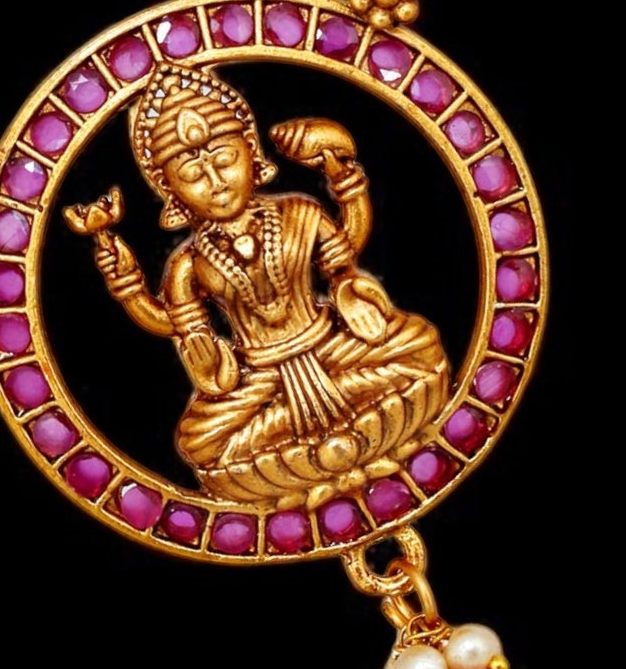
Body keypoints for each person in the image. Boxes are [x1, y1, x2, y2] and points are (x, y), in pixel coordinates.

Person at [67, 68, 449, 508]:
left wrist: (347, 189)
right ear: (170, 192)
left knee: (419, 348)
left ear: (252, 154)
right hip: (259, 378)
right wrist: (128, 285)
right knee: (202, 443)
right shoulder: (189, 264)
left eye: (225, 160)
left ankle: (299, 459)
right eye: (192, 173)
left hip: (333, 347)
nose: (216, 182)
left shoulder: (300, 213)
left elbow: (346, 251)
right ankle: (353, 435)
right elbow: (170, 322)